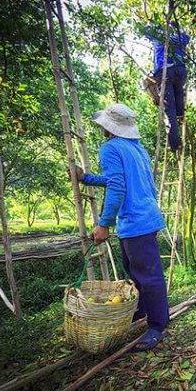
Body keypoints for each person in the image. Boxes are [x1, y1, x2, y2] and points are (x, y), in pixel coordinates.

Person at [74, 103, 169, 352]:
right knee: (136, 272)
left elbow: (118, 187)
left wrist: (104, 223)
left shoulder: (110, 149)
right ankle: (142, 310)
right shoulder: (137, 150)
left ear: (108, 127)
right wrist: (87, 179)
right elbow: (116, 180)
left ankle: (158, 326)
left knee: (148, 277)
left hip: (136, 221)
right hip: (145, 218)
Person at [145, 22, 189, 152]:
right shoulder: (179, 34)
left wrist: (155, 24)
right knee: (178, 93)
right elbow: (186, 40)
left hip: (165, 71)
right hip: (180, 69)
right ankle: (180, 113)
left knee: (169, 108)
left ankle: (175, 144)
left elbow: (146, 30)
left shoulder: (158, 33)